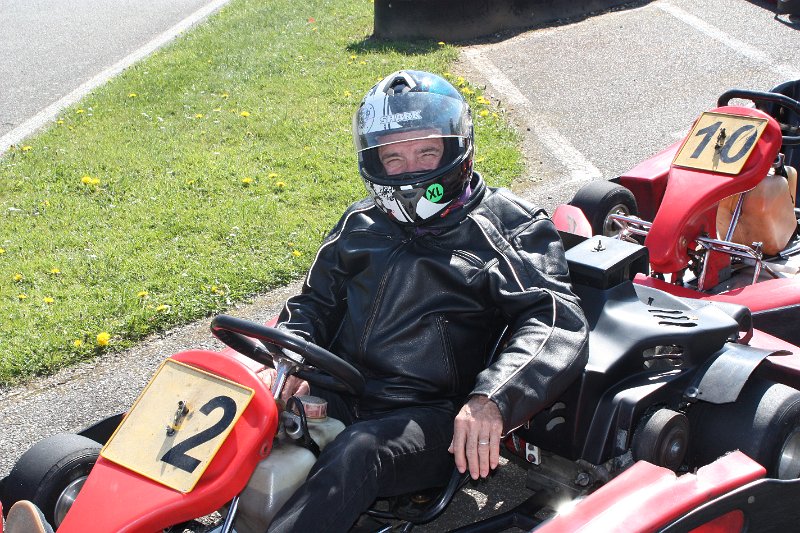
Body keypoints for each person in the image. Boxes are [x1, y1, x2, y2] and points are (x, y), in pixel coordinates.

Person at [266, 70, 589, 532]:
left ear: (457, 151)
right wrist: (288, 360)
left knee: (359, 450)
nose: (410, 170)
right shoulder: (360, 223)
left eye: (426, 152)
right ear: (373, 162)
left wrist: (492, 398)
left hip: (435, 418)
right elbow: (313, 305)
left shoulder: (504, 226)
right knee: (245, 410)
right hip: (341, 390)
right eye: (393, 157)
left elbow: (556, 319)